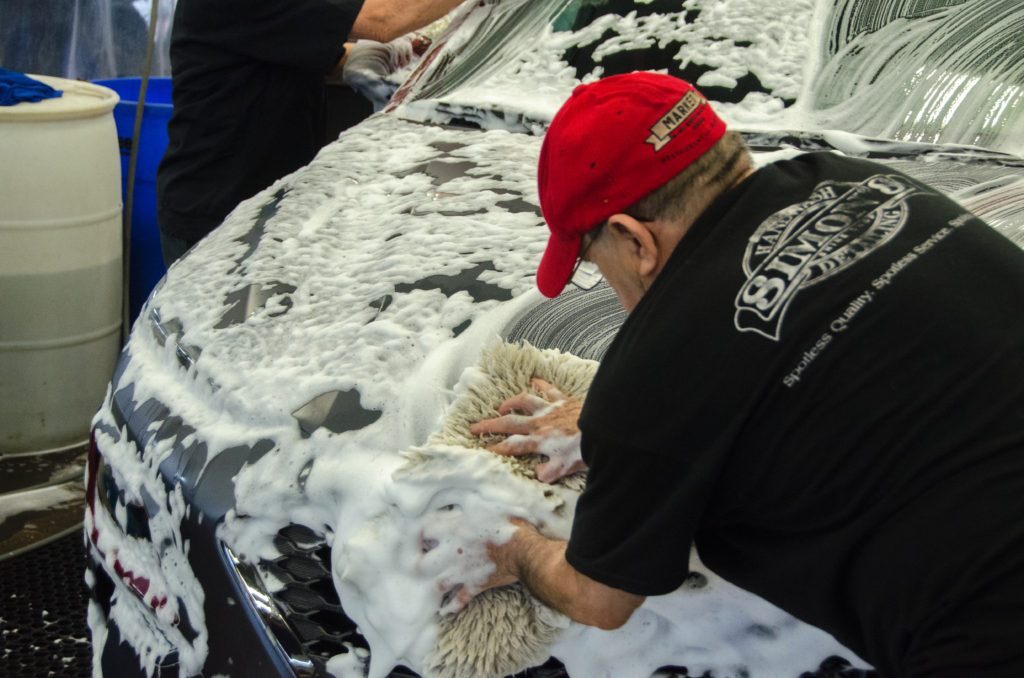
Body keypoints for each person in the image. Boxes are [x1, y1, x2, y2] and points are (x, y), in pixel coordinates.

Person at [465, 72, 1024, 678]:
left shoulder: (653, 376)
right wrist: (628, 430)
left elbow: (599, 598)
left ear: (633, 240)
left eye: (593, 264)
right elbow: (842, 351)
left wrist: (515, 548)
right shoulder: (864, 181)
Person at [155, 0, 466, 266]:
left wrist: (411, 61)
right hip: (217, 214)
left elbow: (328, 60)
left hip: (271, 205)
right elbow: (383, 19)